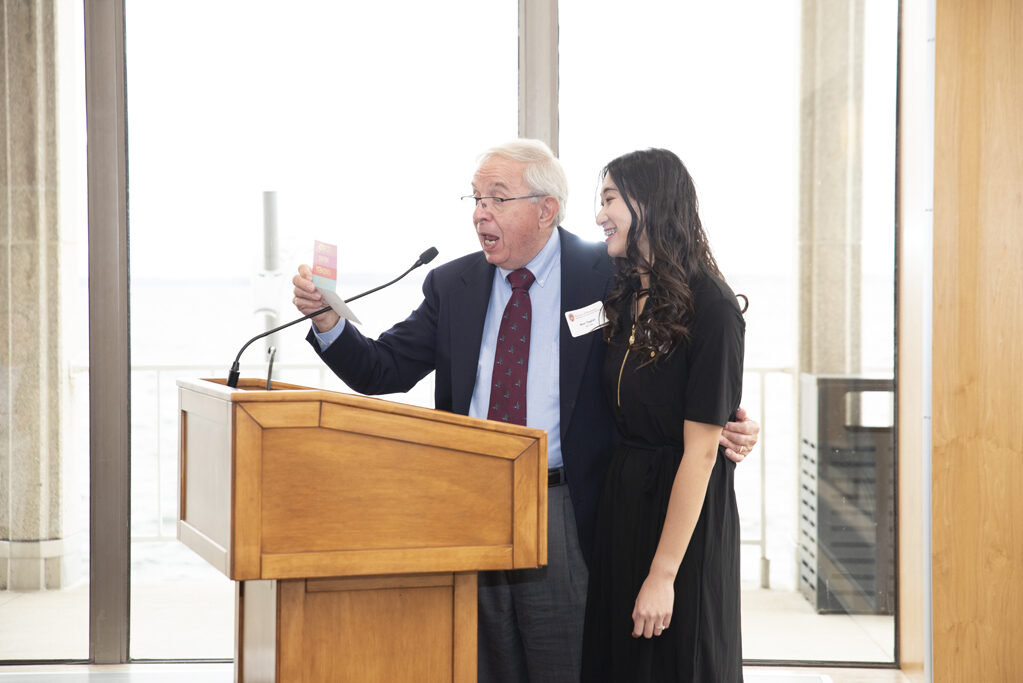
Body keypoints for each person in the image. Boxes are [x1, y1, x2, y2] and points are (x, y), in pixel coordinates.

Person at [290, 139, 758, 683]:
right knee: (482, 662)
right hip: (471, 503)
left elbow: (674, 359)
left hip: (569, 506)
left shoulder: (609, 275)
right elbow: (382, 369)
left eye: (496, 198)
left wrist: (728, 421)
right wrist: (329, 322)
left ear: (545, 209)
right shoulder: (452, 284)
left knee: (568, 663)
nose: (479, 212)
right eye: (475, 198)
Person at [581, 148, 746, 682]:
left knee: (677, 663)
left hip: (681, 517)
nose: (600, 215)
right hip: (626, 499)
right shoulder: (627, 292)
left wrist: (663, 574)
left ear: (648, 202)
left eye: (609, 199)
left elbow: (701, 455)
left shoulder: (713, 306)